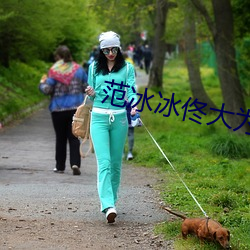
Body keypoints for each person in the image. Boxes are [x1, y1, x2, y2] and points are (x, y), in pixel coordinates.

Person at [85, 31, 138, 223]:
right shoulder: (94, 68)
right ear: (101, 50)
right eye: (106, 50)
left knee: (116, 164)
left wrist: (134, 106)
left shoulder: (127, 68)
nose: (110, 53)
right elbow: (91, 97)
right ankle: (107, 205)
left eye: (114, 49)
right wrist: (90, 92)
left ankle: (112, 201)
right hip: (98, 118)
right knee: (104, 163)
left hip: (120, 119)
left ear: (119, 48)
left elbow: (131, 91)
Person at [39, 45, 88, 175]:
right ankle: (75, 163)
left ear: (58, 57)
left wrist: (42, 83)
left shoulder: (54, 71)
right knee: (74, 137)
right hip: (75, 109)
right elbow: (86, 87)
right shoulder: (79, 70)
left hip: (58, 109)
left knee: (60, 138)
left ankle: (60, 166)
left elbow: (47, 90)